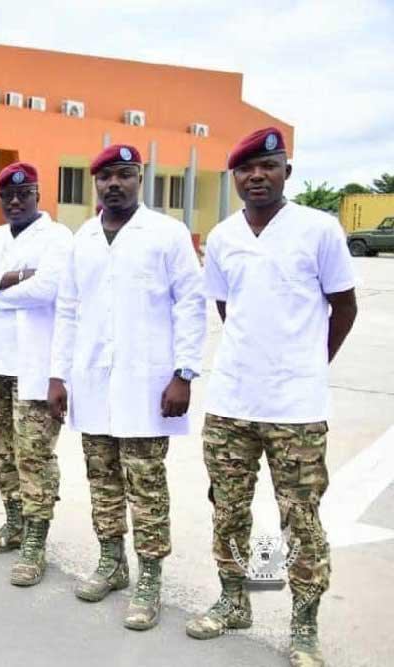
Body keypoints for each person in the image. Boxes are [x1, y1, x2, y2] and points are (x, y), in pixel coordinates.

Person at [186, 128, 357, 667]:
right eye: (245, 168)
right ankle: (236, 601)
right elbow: (225, 308)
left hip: (296, 411)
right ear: (234, 177)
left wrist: (308, 364)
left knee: (299, 518)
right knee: (228, 510)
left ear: (287, 171)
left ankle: (303, 625)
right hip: (232, 402)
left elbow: (345, 307)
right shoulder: (222, 237)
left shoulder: (319, 229)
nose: (256, 175)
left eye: (268, 165)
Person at [47, 144, 206, 630]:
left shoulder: (167, 233)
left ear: (140, 179)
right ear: (95, 184)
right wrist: (58, 374)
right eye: (105, 177)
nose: (113, 184)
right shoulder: (84, 238)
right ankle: (112, 563)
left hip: (147, 387)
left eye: (123, 175)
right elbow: (68, 309)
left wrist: (184, 373)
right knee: (103, 483)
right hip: (94, 384)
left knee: (147, 488)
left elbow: (191, 303)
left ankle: (150, 579)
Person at [0, 162, 73, 586]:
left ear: (38, 194)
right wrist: (15, 277)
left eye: (24, 193)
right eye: (8, 196)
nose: (16, 201)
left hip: (34, 367)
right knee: (3, 453)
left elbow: (49, 288)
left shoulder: (58, 238)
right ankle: (15, 522)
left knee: (34, 456)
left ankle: (35, 545)